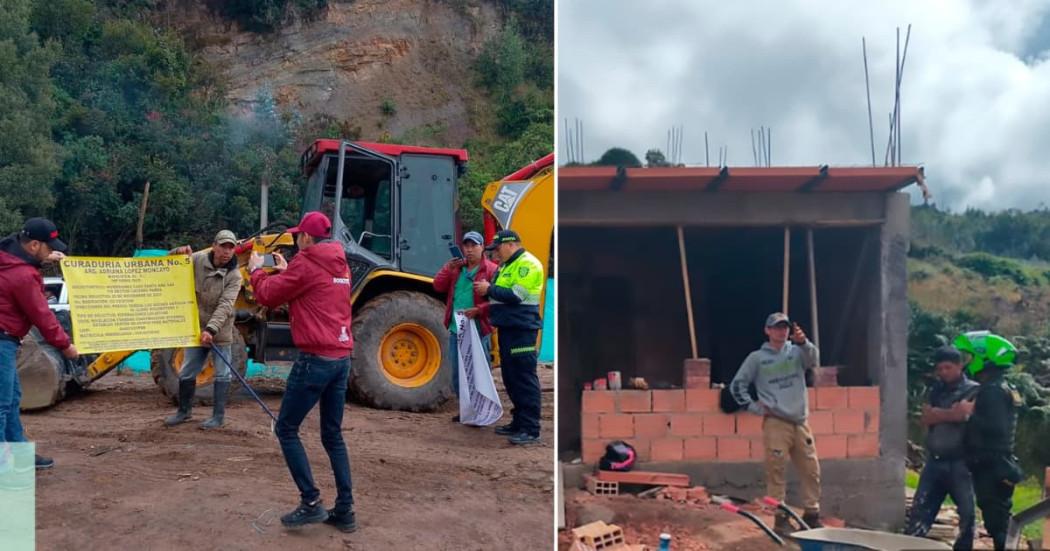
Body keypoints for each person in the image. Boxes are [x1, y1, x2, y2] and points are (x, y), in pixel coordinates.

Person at [248, 211, 356, 532]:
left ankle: (311, 502)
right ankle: (345, 510)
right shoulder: (341, 264)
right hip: (341, 358)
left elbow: (267, 295)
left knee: (286, 429)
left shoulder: (306, 263)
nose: (296, 241)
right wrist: (287, 272)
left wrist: (256, 271)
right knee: (332, 435)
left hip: (315, 360)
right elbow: (313, 290)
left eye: (298, 236)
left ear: (307, 237)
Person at [729, 312, 822, 531]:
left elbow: (814, 360)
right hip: (776, 423)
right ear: (767, 331)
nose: (782, 331)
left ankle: (812, 514)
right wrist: (754, 407)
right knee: (776, 471)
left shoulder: (797, 352)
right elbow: (737, 385)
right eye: (777, 327)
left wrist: (804, 343)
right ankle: (781, 518)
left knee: (811, 469)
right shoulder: (757, 358)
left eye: (785, 327)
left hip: (800, 422)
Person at [0, 218, 79, 470]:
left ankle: (19, 454)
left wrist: (43, 260)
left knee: (11, 399)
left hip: (7, 339)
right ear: (34, 245)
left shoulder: (9, 255)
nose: (52, 251)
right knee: (2, 404)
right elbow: (42, 315)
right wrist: (66, 346)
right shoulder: (22, 275)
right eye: (49, 247)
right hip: (2, 341)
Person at [164, 230, 243, 429]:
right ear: (214, 246)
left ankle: (218, 417)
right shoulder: (197, 260)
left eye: (231, 247)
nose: (226, 251)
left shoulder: (235, 276)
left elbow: (225, 305)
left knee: (222, 374)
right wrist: (177, 253)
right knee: (187, 371)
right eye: (223, 246)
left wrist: (211, 330)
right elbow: (170, 265)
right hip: (196, 328)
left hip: (220, 332)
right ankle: (184, 412)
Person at [474, 229, 545, 445]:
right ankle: (518, 422)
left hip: (522, 330)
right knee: (511, 378)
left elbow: (516, 295)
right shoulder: (506, 266)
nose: (495, 254)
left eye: (497, 249)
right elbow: (499, 295)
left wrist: (489, 289)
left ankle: (530, 429)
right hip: (507, 328)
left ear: (511, 244)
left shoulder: (528, 264)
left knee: (524, 379)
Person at [905, 346, 978, 551]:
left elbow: (963, 415)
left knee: (967, 514)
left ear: (959, 366)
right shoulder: (936, 390)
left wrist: (939, 414)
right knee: (920, 510)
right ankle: (910, 547)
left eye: (948, 367)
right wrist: (951, 414)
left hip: (961, 463)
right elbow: (926, 418)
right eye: (940, 369)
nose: (944, 372)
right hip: (935, 460)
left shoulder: (973, 390)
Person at [957, 332, 1022, 551]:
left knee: (997, 523)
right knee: (997, 520)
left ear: (984, 358)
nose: (966, 362)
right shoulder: (1001, 387)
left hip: (993, 465)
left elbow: (996, 428)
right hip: (997, 463)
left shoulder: (992, 391)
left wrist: (969, 414)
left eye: (969, 356)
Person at [433, 231, 497, 423]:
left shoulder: (491, 270)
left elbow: (498, 300)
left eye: (473, 246)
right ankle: (467, 409)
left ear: (482, 247)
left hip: (479, 328)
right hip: (457, 328)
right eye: (466, 246)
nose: (469, 250)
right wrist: (447, 268)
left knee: (479, 372)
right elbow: (438, 286)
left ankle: (482, 411)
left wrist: (479, 310)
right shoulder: (456, 269)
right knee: (458, 373)